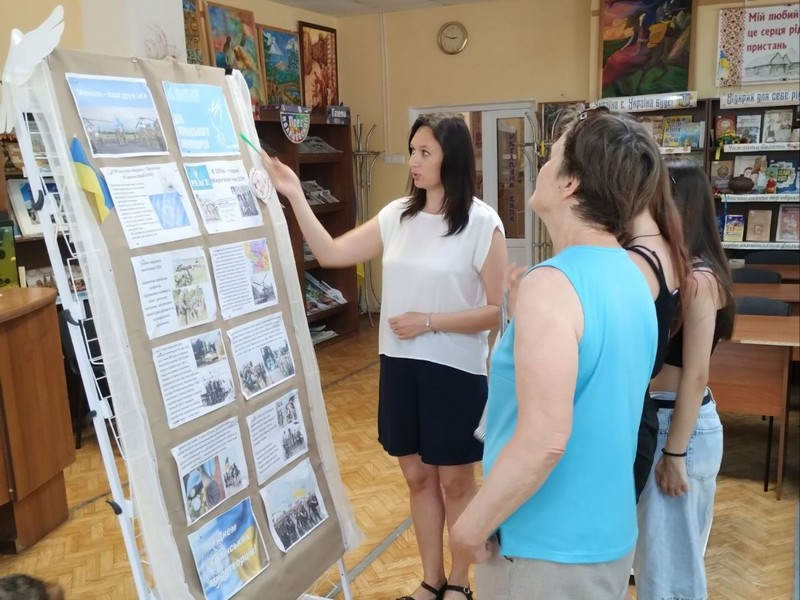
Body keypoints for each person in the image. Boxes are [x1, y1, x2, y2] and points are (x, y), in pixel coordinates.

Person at [260, 113, 506, 600]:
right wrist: (293, 193)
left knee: (456, 483)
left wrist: (429, 321)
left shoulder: (482, 223)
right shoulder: (398, 215)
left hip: (455, 372)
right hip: (399, 366)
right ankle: (431, 580)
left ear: (452, 159)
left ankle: (460, 582)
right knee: (417, 477)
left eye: (424, 152)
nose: (413, 161)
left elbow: (498, 311)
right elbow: (331, 252)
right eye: (412, 150)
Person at [451, 109, 661, 599]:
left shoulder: (554, 284)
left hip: (544, 548)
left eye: (551, 158)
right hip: (606, 537)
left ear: (570, 183)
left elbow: (543, 441)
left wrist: (468, 527)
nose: (541, 167)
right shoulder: (633, 275)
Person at [633, 160, 734, 599]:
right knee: (658, 565)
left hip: (679, 428)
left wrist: (674, 452)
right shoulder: (677, 270)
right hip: (667, 419)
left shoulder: (698, 279)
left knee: (669, 575)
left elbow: (695, 374)